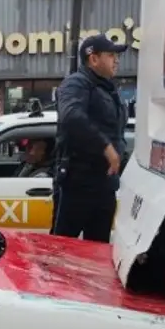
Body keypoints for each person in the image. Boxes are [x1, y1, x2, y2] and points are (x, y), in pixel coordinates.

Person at [51, 33, 129, 243]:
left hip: (105, 185)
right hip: (78, 185)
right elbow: (71, 116)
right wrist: (106, 147)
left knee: (98, 253)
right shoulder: (76, 84)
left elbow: (116, 132)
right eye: (111, 55)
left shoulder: (110, 90)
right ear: (93, 59)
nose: (117, 60)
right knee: (61, 252)